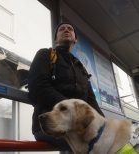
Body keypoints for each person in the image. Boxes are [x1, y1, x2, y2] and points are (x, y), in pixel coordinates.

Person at [28, 23, 104, 151]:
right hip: (51, 123)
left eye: (70, 29)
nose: (66, 30)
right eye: (61, 29)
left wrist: (104, 124)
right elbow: (38, 88)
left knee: (109, 135)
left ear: (75, 39)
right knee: (97, 143)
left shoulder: (81, 68)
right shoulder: (45, 55)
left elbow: (91, 101)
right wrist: (73, 111)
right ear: (56, 39)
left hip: (78, 126)